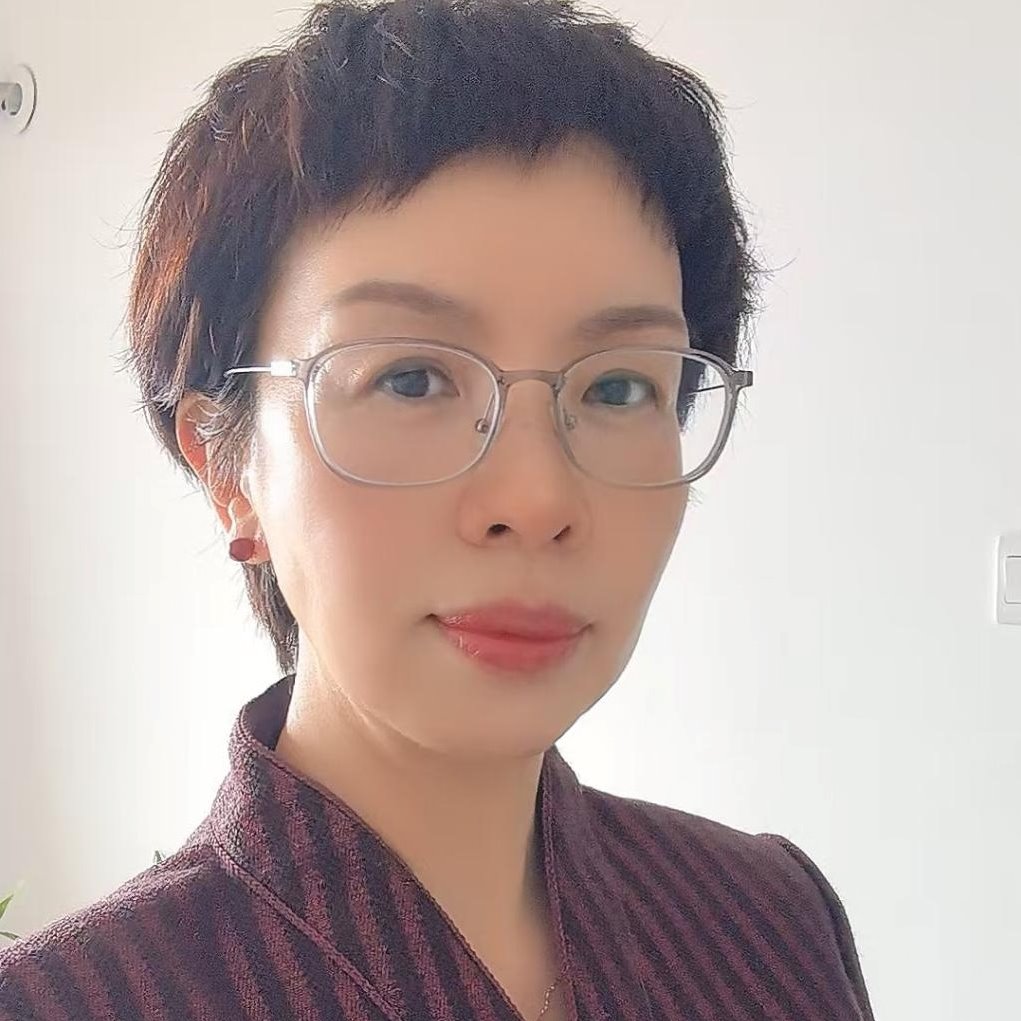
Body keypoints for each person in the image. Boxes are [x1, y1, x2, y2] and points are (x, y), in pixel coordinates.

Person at [0, 1, 875, 1019]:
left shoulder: (771, 919)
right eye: (410, 378)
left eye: (617, 386)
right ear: (227, 468)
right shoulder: (70, 1002)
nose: (537, 498)